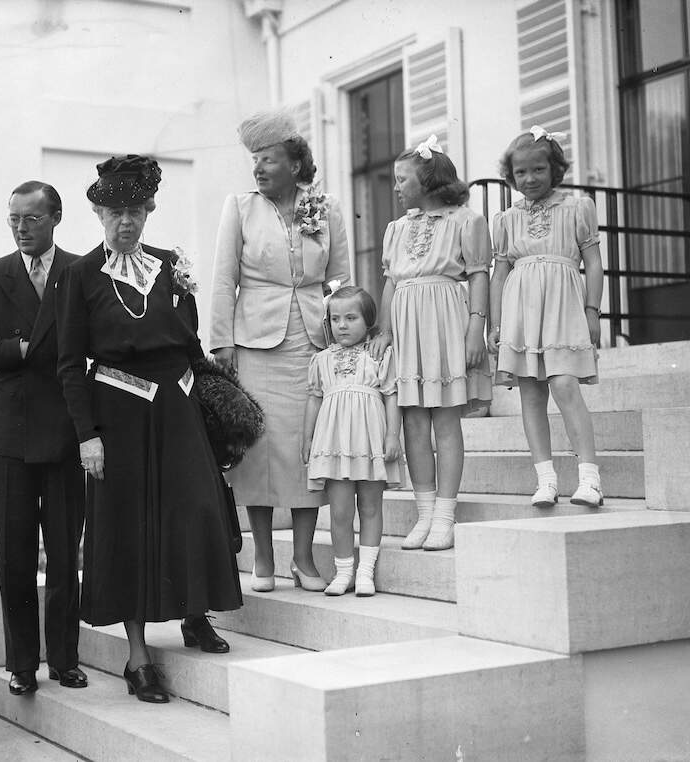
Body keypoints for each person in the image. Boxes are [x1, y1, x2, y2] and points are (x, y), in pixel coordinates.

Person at [56, 154, 242, 704]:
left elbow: (190, 341)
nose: (125, 222)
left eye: (135, 211)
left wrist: (210, 405)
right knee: (129, 528)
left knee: (195, 508)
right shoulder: (80, 275)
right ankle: (137, 657)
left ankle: (194, 614)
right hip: (118, 413)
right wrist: (87, 435)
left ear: (149, 211)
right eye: (115, 212)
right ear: (98, 214)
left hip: (178, 407)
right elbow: (69, 364)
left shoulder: (169, 265)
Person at [0, 181, 87, 696]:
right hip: (10, 432)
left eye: (31, 218)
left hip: (67, 430)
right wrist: (17, 349)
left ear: (56, 217)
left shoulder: (81, 271)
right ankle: (22, 663)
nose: (21, 228)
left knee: (65, 552)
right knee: (14, 555)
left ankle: (65, 659)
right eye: (13, 218)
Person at [210, 109, 351, 593]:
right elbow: (223, 278)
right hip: (254, 344)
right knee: (260, 449)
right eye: (254, 160)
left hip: (313, 343)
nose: (258, 168)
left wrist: (345, 337)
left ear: (294, 164)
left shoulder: (326, 207)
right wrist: (222, 343)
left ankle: (304, 559)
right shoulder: (240, 207)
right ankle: (265, 558)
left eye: (267, 159)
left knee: (308, 448)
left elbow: (339, 280)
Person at [373, 136, 492, 552]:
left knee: (444, 419)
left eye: (402, 179)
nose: (396, 187)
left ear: (427, 181)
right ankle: (424, 513)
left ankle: (444, 515)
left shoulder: (466, 222)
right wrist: (385, 331)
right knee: (413, 421)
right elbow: (391, 283)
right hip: (408, 326)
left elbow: (478, 275)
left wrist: (476, 328)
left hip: (444, 320)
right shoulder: (397, 229)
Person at [488, 126, 604, 508]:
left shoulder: (576, 208)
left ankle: (590, 478)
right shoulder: (507, 219)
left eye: (538, 169)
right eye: (520, 172)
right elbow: (499, 274)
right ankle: (546, 479)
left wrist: (592, 310)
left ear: (555, 169)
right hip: (522, 309)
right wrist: (496, 325)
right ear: (511, 175)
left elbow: (593, 262)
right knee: (531, 393)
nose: (529, 178)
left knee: (565, 384)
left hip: (563, 305)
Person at [302, 286, 401, 596]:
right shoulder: (321, 360)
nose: (341, 325)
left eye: (351, 318)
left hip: (370, 442)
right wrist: (308, 438)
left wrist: (392, 436)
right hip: (335, 444)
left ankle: (365, 572)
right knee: (340, 511)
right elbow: (314, 399)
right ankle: (344, 571)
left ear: (368, 320)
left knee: (370, 507)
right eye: (335, 319)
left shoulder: (379, 355)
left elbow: (391, 396)